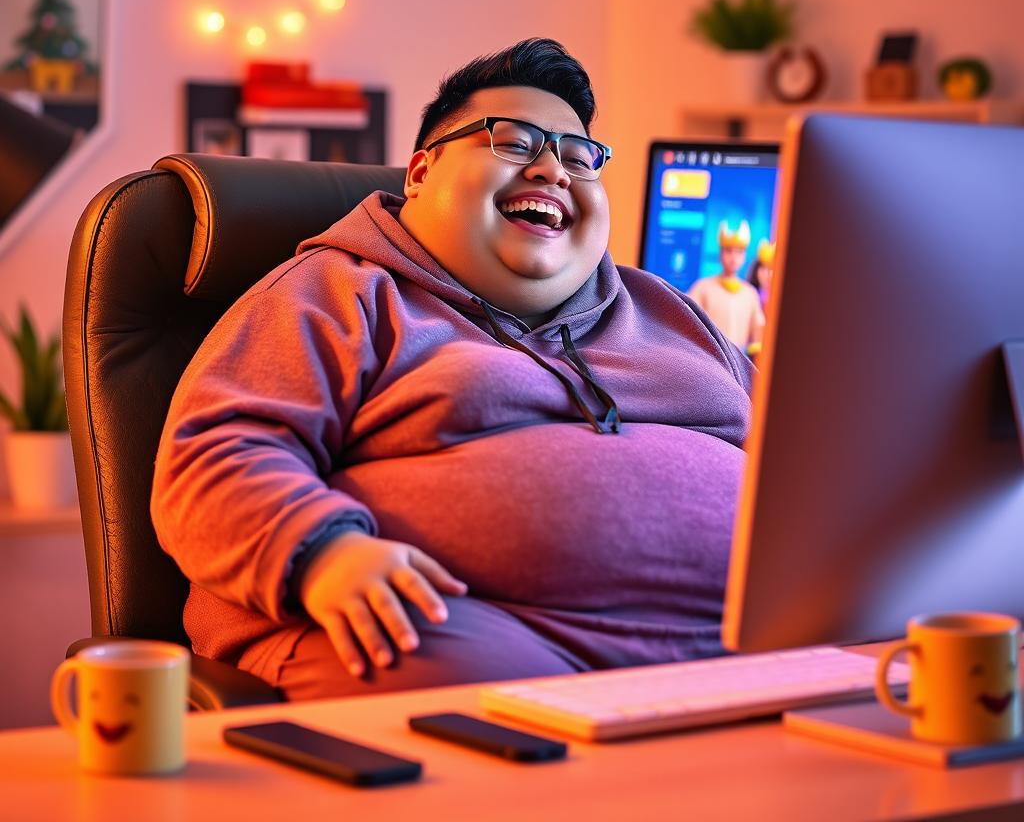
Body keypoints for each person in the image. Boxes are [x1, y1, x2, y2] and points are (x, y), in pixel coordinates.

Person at [153, 38, 754, 701]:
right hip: (486, 635)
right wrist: (325, 554)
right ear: (419, 175)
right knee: (447, 673)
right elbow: (213, 455)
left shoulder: (671, 311)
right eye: (516, 142)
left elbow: (808, 466)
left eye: (580, 159)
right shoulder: (339, 292)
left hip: (738, 638)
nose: (554, 172)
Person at [687, 221, 765, 353]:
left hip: (740, 358)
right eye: (729, 251)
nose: (733, 258)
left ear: (744, 256)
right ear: (721, 253)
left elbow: (758, 330)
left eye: (739, 252)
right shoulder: (703, 287)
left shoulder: (750, 293)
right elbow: (688, 319)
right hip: (710, 356)